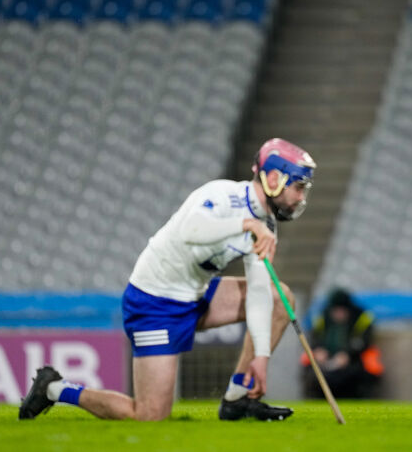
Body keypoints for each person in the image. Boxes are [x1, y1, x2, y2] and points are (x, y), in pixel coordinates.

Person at [19, 138, 316, 422]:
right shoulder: (221, 196)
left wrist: (261, 357)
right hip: (154, 303)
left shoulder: (266, 226)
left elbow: (261, 293)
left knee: (279, 297)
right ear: (274, 179)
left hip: (196, 295)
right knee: (149, 415)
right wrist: (249, 224)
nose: (302, 197)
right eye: (299, 188)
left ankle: (238, 398)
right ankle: (54, 389)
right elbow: (191, 231)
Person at [302, 288, 383, 398]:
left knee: (355, 375)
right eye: (335, 311)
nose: (338, 314)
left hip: (353, 361)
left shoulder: (362, 318)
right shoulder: (322, 317)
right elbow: (315, 339)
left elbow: (363, 342)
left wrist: (347, 355)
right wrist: (319, 350)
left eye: (341, 311)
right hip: (326, 360)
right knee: (312, 369)